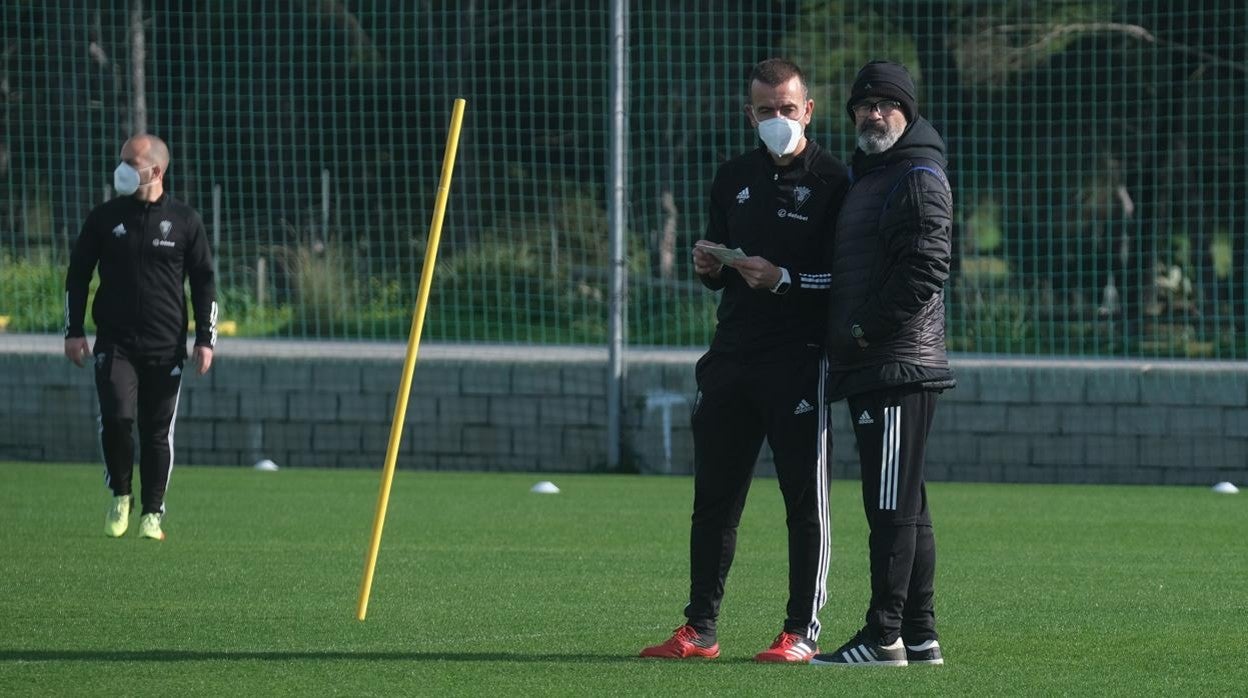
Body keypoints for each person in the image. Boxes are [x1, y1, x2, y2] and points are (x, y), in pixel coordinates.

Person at [639, 58, 849, 663]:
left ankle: (800, 631)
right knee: (714, 501)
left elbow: (845, 280)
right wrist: (708, 266)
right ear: (748, 114)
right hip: (730, 356)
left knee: (803, 502)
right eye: (765, 111)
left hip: (798, 360)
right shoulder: (732, 177)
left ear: (808, 110)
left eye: (788, 109)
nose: (777, 120)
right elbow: (716, 272)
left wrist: (785, 279)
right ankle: (699, 628)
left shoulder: (837, 182)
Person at [809, 60, 954, 667]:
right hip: (877, 365)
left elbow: (926, 268)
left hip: (895, 364)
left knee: (889, 506)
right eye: (862, 106)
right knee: (907, 507)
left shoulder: (917, 175)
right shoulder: (873, 175)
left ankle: (883, 634)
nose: (872, 114)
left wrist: (864, 330)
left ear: (908, 111)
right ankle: (920, 636)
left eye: (885, 105)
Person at [64, 133, 217, 541]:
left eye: (131, 163)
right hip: (115, 343)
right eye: (121, 161)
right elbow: (78, 274)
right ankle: (120, 495)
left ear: (156, 171)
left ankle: (152, 513)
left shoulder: (185, 221)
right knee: (117, 418)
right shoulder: (104, 217)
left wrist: (206, 338)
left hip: (166, 347)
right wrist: (73, 330)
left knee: (155, 431)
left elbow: (204, 282)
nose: (122, 170)